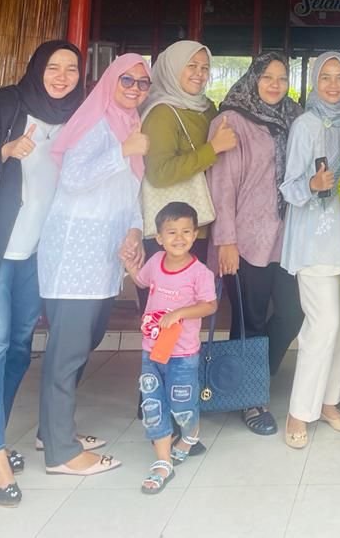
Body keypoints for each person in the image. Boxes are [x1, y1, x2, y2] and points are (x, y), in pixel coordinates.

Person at [0, 40, 83, 506]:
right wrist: (7, 149)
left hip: (36, 252)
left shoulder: (76, 116)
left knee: (19, 345)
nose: (62, 76)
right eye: (54, 67)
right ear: (37, 68)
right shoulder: (8, 102)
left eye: (71, 69)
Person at [37, 53, 152, 477]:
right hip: (74, 254)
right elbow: (73, 179)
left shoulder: (130, 125)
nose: (135, 88)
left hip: (103, 258)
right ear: (110, 80)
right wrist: (123, 151)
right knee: (67, 352)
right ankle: (61, 453)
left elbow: (130, 190)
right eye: (127, 80)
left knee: (87, 341)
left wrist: (135, 231)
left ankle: (51, 431)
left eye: (142, 83)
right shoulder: (94, 121)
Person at [137, 40, 234, 453]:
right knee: (163, 321)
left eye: (204, 67)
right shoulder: (161, 112)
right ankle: (157, 409)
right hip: (168, 234)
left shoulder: (206, 109)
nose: (198, 73)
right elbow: (159, 173)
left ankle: (179, 407)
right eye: (190, 66)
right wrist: (214, 150)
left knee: (187, 319)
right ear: (170, 68)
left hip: (196, 227)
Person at [207, 51, 304, 436]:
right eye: (267, 77)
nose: (275, 85)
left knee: (293, 312)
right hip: (245, 239)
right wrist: (226, 240)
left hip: (287, 238)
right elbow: (222, 184)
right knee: (250, 319)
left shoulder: (294, 117)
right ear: (253, 78)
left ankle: (256, 375)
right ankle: (250, 399)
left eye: (282, 78)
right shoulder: (231, 120)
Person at [280, 52, 340, 448]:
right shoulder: (305, 124)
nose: (333, 84)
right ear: (315, 81)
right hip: (315, 238)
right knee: (323, 324)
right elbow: (289, 186)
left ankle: (330, 402)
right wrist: (313, 185)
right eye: (325, 77)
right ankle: (299, 411)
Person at [124, 201, 217, 495]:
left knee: (182, 407)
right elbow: (142, 280)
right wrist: (130, 267)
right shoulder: (155, 262)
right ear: (159, 238)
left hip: (183, 355)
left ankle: (190, 435)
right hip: (152, 351)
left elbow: (209, 305)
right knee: (153, 405)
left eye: (186, 231)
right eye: (172, 232)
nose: (179, 237)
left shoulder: (200, 273)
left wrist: (179, 313)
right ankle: (163, 462)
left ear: (195, 235)